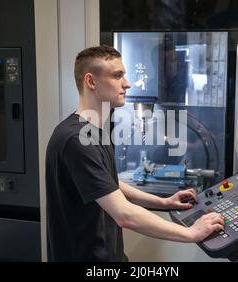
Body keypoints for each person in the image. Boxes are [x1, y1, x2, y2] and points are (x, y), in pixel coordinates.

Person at [46, 46, 225, 262]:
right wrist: (191, 233)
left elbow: (108, 183)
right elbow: (124, 216)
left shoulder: (92, 131)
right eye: (117, 76)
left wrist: (163, 202)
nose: (127, 84)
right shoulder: (76, 140)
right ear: (91, 82)